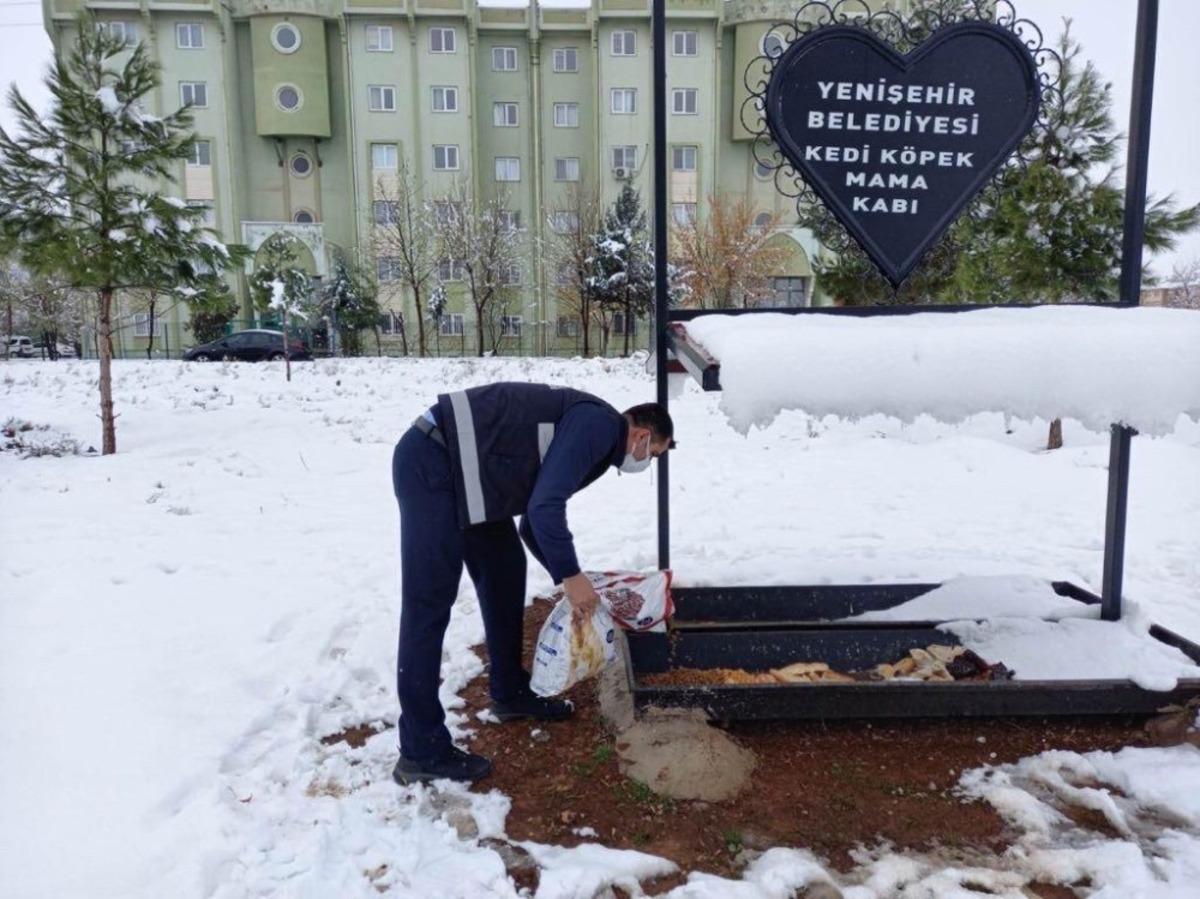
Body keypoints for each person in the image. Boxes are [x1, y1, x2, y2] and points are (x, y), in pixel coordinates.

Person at [390, 382, 674, 784]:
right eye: (655, 453)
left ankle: (510, 693)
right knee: (428, 603)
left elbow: (532, 525)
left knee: (505, 571)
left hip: (475, 475)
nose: (647, 460)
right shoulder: (600, 426)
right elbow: (544, 509)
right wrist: (571, 577)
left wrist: (573, 577)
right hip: (435, 459)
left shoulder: (599, 436)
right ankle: (421, 750)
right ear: (643, 436)